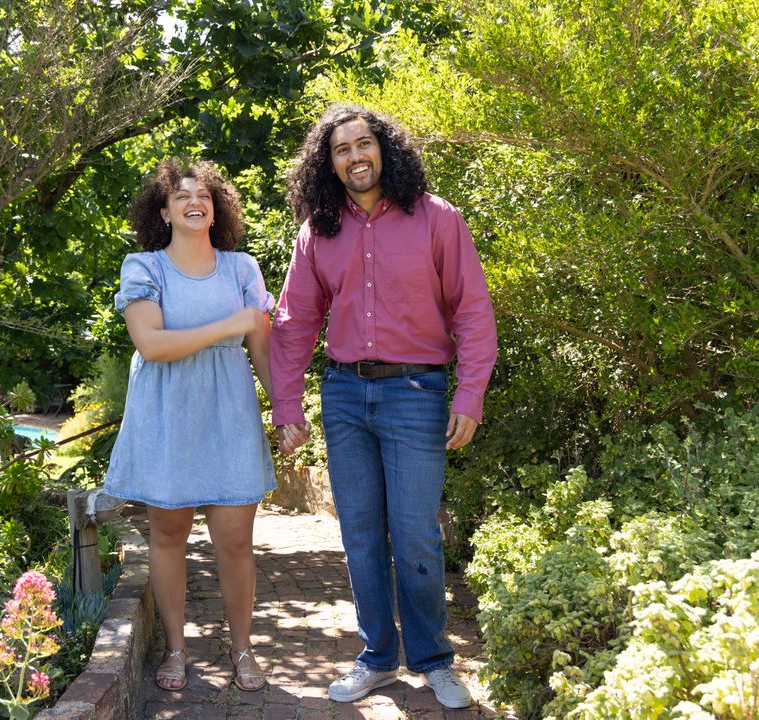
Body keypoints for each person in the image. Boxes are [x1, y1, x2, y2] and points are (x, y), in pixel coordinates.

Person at [269, 103, 497, 709]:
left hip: (416, 393)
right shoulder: (319, 230)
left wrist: (469, 394)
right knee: (361, 534)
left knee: (417, 535)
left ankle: (434, 660)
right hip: (344, 394)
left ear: (384, 148)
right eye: (340, 150)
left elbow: (472, 311)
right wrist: (286, 405)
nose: (354, 157)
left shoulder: (437, 219)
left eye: (362, 144)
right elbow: (294, 323)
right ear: (329, 164)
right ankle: (376, 657)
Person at [103, 157, 275, 693]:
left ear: (216, 206)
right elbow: (152, 345)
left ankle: (243, 650)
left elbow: (264, 353)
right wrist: (232, 323)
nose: (194, 201)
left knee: (235, 542)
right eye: (181, 196)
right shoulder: (144, 267)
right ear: (164, 210)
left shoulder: (242, 269)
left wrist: (288, 410)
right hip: (166, 415)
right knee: (169, 535)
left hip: (230, 415)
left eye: (203, 194)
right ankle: (177, 652)